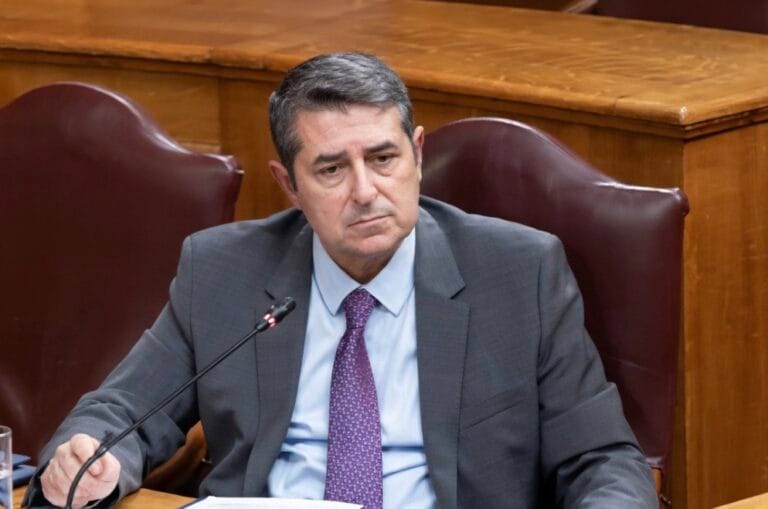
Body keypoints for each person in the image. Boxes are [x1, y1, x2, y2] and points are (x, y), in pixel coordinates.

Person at [25, 52, 657, 509]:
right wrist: (91, 460)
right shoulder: (222, 271)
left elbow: (602, 461)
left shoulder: (519, 273)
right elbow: (120, 414)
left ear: (417, 154)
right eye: (331, 169)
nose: (365, 191)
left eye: (383, 159)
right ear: (288, 184)